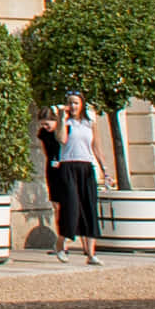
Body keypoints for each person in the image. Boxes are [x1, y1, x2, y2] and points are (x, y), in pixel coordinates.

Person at [42, 96, 107, 264]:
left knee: (89, 207)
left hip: (86, 166)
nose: (73, 105)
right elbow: (62, 139)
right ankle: (61, 244)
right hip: (68, 166)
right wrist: (63, 118)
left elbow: (96, 146)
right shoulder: (63, 123)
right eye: (70, 103)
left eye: (76, 103)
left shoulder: (89, 123)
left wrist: (105, 169)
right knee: (71, 207)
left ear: (82, 104)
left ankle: (91, 253)